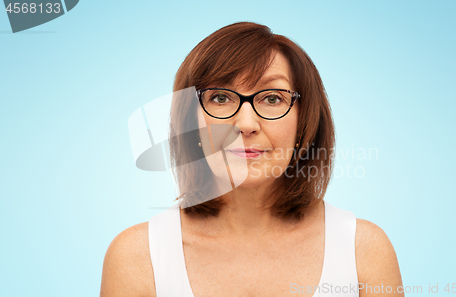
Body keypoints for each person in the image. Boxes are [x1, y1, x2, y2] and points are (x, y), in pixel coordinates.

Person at [100, 22, 404, 297]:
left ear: (304, 122)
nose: (246, 124)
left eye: (272, 98)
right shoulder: (137, 257)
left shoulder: (364, 251)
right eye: (220, 98)